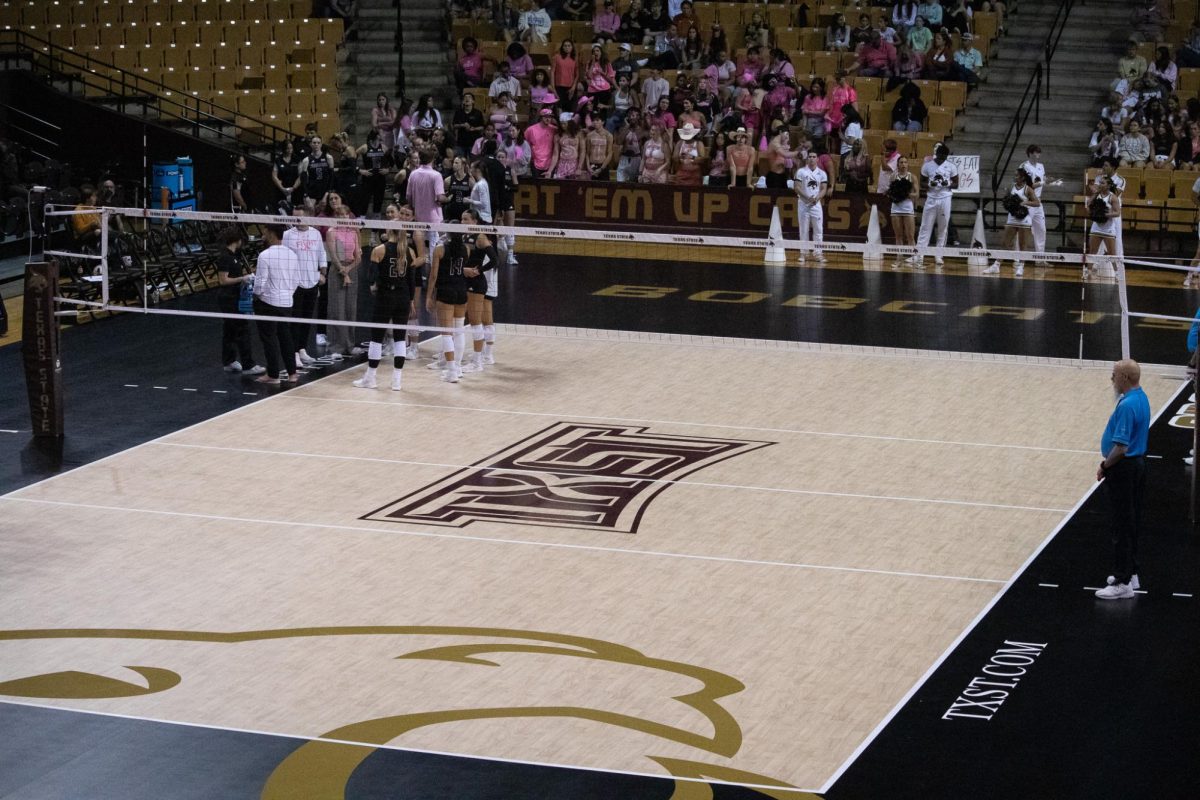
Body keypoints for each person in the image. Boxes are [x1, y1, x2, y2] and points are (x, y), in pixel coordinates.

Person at [1094, 359, 1151, 600]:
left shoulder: (1127, 405)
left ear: (1125, 378)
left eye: (1115, 374)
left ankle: (1122, 581)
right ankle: (1132, 572)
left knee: (1121, 524)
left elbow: (1121, 447)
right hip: (1135, 468)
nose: (1112, 379)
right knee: (1131, 521)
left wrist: (1105, 466)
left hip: (1124, 470)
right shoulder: (1141, 397)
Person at [355, 204, 417, 390]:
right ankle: (396, 381)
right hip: (403, 298)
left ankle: (371, 378)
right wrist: (411, 300)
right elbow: (411, 282)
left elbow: (371, 278)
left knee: (376, 338)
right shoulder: (409, 251)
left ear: (388, 230)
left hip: (385, 297)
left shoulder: (379, 250)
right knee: (400, 338)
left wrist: (375, 285)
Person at [251, 224, 301, 385]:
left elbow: (260, 282)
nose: (263, 235)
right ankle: (292, 374)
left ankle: (273, 374)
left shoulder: (265, 255)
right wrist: (287, 294)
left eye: (265, 232)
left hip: (268, 303)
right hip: (287, 302)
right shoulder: (292, 254)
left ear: (272, 234)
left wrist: (257, 295)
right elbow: (296, 280)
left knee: (269, 339)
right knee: (286, 337)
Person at [282, 203, 327, 367]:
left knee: (307, 318)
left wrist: (323, 273)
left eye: (300, 217)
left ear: (308, 216)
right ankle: (293, 352)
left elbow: (321, 254)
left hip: (312, 281)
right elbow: (284, 257)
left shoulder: (315, 234)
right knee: (295, 319)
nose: (297, 220)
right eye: (294, 217)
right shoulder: (287, 234)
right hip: (295, 283)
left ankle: (302, 349)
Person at [216, 227, 264, 376]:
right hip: (229, 298)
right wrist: (242, 279)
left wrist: (246, 277)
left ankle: (229, 361)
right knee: (242, 329)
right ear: (237, 240)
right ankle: (248, 364)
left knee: (230, 329)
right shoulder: (225, 257)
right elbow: (223, 280)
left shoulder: (233, 256)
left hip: (235, 296)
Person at [426, 228, 470, 383]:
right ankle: (457, 368)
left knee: (447, 333)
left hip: (446, 291)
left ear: (448, 233)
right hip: (461, 291)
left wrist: (429, 296)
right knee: (459, 332)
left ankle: (451, 371)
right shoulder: (466, 249)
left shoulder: (439, 249)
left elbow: (433, 275)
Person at [984, 167, 1038, 277]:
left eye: (1017, 175)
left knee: (1023, 245)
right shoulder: (1011, 187)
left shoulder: (1028, 189)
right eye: (1015, 175)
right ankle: (996, 266)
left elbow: (1037, 203)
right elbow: (1006, 200)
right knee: (1005, 243)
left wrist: (1025, 202)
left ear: (1022, 177)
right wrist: (1008, 204)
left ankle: (1020, 267)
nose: (1015, 177)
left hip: (1024, 220)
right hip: (1012, 218)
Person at [914, 142, 958, 268]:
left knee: (943, 226)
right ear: (936, 154)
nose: (941, 159)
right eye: (940, 156)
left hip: (945, 198)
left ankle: (939, 254)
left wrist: (947, 184)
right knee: (925, 226)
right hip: (931, 198)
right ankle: (920, 254)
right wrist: (929, 184)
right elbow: (921, 181)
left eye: (944, 157)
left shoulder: (951, 166)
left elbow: (956, 183)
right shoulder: (927, 166)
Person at [794, 151, 828, 265]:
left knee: (818, 229)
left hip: (816, 205)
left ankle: (818, 253)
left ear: (817, 159)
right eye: (810, 157)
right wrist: (808, 197)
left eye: (814, 157)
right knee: (803, 229)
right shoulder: (801, 172)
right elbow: (797, 188)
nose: (812, 159)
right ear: (807, 159)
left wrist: (817, 198)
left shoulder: (822, 173)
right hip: (803, 204)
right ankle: (803, 253)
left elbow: (823, 188)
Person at [1084, 175, 1121, 280]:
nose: (1100, 185)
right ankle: (1088, 271)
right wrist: (1094, 214)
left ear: (1108, 185)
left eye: (1103, 183)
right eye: (1100, 183)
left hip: (1108, 229)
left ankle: (1117, 273)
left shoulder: (1112, 197)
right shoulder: (1096, 195)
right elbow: (1088, 205)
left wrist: (1105, 215)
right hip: (1096, 227)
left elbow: (1117, 213)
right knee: (1092, 251)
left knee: (1112, 253)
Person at [888, 155, 917, 268]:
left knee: (910, 235)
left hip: (908, 208)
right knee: (898, 235)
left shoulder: (912, 177)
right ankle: (898, 259)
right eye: (901, 162)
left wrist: (905, 193)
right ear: (898, 164)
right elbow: (889, 193)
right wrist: (895, 194)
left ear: (908, 164)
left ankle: (914, 259)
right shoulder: (893, 177)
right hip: (896, 208)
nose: (903, 164)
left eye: (905, 162)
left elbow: (917, 195)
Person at [1018, 144, 1047, 253]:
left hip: (1038, 201)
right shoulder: (1023, 166)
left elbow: (1042, 181)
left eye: (1039, 152)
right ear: (1030, 153)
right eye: (1036, 152)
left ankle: (1040, 257)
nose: (1038, 155)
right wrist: (1042, 182)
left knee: (1041, 229)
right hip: (1027, 200)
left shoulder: (1041, 166)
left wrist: (1047, 181)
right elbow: (1027, 185)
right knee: (1023, 229)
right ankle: (1018, 257)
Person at [299, 135, 335, 206]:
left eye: (318, 143)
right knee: (310, 210)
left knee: (325, 212)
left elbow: (332, 177)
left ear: (321, 144)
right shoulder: (306, 160)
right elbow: (303, 179)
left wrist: (327, 192)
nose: (316, 145)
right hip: (312, 190)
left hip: (325, 190)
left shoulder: (328, 158)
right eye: (314, 143)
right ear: (310, 144)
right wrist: (306, 195)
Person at [272, 140, 301, 213]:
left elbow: (301, 175)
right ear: (284, 149)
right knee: (282, 210)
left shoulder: (297, 159)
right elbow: (274, 176)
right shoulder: (278, 160)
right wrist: (282, 188)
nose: (289, 150)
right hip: (282, 190)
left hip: (295, 190)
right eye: (287, 148)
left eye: (291, 148)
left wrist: (294, 187)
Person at [584, 114, 615, 180]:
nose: (595, 122)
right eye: (594, 120)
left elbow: (610, 153)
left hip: (603, 165)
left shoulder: (608, 135)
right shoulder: (589, 135)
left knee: (603, 188)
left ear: (603, 122)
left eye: (597, 120)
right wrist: (588, 167)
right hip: (591, 165)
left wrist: (602, 168)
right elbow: (587, 153)